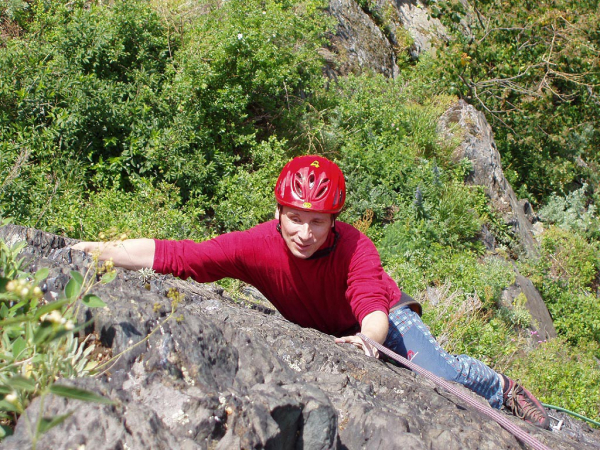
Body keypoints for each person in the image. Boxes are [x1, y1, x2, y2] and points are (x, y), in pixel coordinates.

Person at [72, 155, 550, 429]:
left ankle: (502, 387)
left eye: (317, 221)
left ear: (333, 221)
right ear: (278, 213)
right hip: (329, 327)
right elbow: (181, 255)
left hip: (384, 321)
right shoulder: (255, 246)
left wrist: (367, 340)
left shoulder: (356, 247)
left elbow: (371, 305)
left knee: (441, 376)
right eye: (295, 218)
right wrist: (95, 250)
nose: (304, 232)